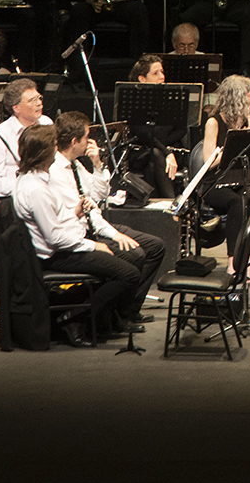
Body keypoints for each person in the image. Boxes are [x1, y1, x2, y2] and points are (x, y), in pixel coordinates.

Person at [11, 124, 139, 346]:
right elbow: (55, 239)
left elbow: (55, 223)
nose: (57, 149)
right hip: (58, 255)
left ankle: (99, 321)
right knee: (129, 274)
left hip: (68, 243)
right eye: (53, 146)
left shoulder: (35, 179)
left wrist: (75, 213)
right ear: (44, 153)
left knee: (129, 259)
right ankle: (73, 317)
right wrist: (92, 246)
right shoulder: (37, 189)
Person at [48, 112, 166, 329]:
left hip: (95, 225)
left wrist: (97, 164)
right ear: (75, 142)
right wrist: (114, 234)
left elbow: (100, 194)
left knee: (155, 246)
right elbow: (84, 211)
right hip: (80, 234)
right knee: (135, 254)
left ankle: (128, 310)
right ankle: (115, 317)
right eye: (86, 137)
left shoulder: (75, 165)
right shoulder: (56, 172)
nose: (89, 142)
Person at [190, 75, 250, 275]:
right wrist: (235, 144)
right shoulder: (214, 121)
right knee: (236, 203)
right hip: (215, 183)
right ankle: (233, 262)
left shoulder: (246, 118)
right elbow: (209, 163)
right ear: (238, 96)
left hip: (240, 177)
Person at [0, 78, 52, 202]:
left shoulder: (46, 123)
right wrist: (24, 187)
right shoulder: (0, 134)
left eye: (39, 98)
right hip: (17, 197)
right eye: (32, 100)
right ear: (17, 108)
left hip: (49, 189)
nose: (39, 103)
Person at [125, 53, 184, 197]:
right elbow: (143, 134)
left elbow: (182, 129)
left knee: (152, 165)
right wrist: (166, 152)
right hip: (140, 152)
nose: (162, 77)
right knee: (155, 154)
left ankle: (156, 210)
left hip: (163, 150)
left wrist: (163, 146)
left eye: (162, 72)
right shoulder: (134, 102)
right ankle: (171, 203)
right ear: (142, 79)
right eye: (155, 73)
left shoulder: (170, 100)